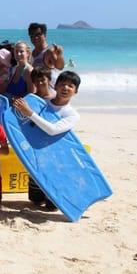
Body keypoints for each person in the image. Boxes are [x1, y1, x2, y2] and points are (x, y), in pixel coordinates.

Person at [13, 71, 81, 210]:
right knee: (35, 200)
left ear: (76, 91)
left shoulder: (72, 114)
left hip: (56, 159)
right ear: (55, 86)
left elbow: (52, 130)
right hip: (37, 155)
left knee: (52, 206)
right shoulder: (41, 104)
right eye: (62, 84)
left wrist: (29, 113)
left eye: (70, 86)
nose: (66, 88)